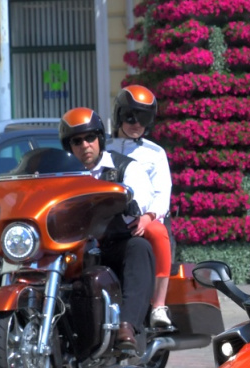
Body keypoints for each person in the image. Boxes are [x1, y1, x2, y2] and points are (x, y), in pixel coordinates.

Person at [59, 106, 155, 352]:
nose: (85, 145)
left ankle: (127, 326)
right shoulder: (61, 175)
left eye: (90, 137)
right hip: (72, 248)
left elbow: (141, 193)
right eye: (77, 141)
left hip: (112, 245)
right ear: (69, 146)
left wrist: (131, 201)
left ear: (100, 138)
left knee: (139, 247)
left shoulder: (124, 167)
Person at [106, 85, 174, 328]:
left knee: (158, 232)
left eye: (143, 118)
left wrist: (148, 217)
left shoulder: (155, 153)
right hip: (106, 221)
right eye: (130, 117)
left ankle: (158, 306)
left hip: (143, 219)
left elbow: (162, 192)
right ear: (119, 116)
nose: (136, 124)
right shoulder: (103, 149)